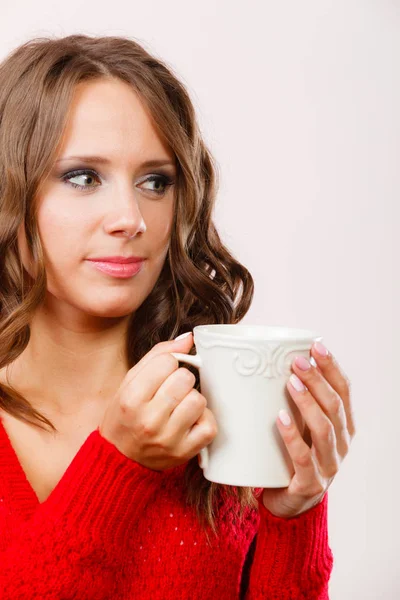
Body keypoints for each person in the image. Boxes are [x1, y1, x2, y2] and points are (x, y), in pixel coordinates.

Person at [0, 34, 355, 599]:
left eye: (154, 182)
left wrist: (295, 515)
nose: (130, 218)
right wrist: (116, 466)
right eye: (83, 177)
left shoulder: (229, 417)